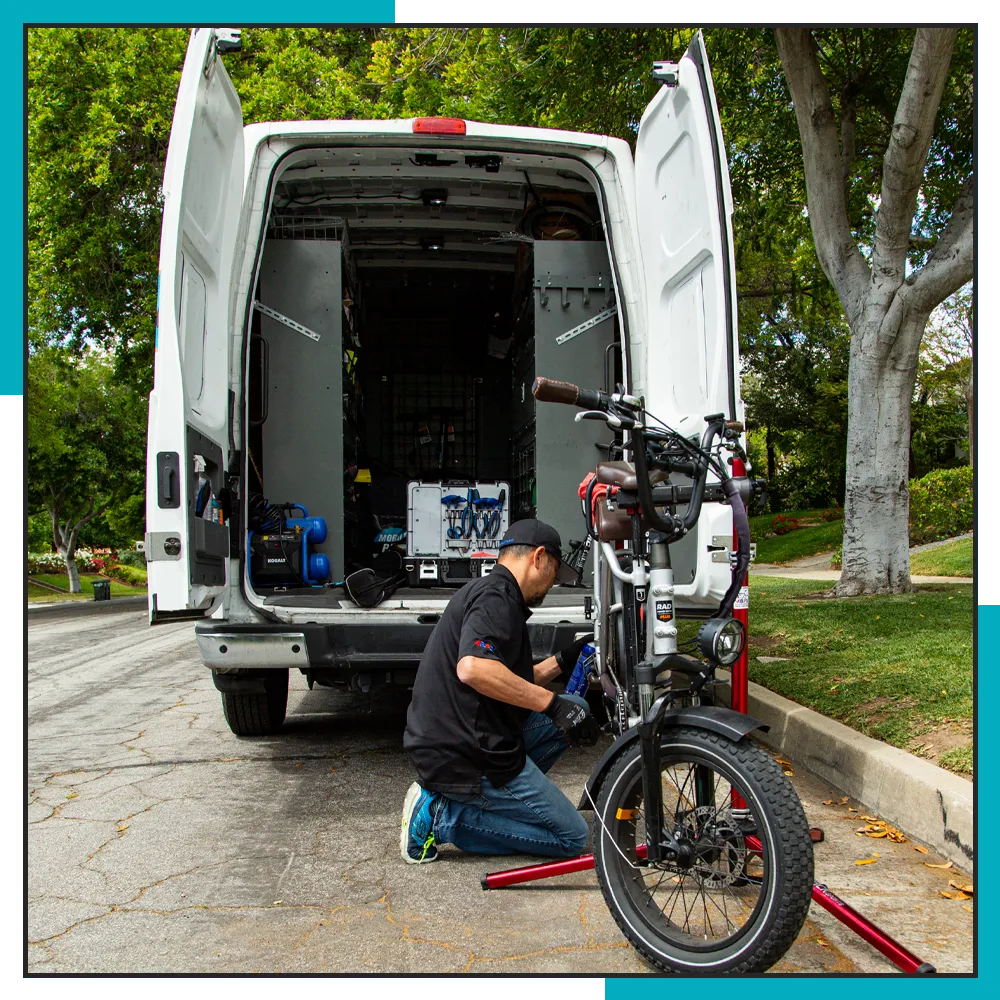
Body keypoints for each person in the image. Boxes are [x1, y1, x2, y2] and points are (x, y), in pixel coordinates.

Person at [400, 518, 594, 864]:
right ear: (538, 558)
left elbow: (511, 679)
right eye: (554, 573)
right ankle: (443, 817)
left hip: (460, 735)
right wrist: (551, 704)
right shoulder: (497, 598)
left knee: (574, 706)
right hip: (468, 752)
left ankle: (497, 804)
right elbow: (474, 668)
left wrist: (565, 659)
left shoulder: (493, 592)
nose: (551, 585)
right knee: (572, 837)